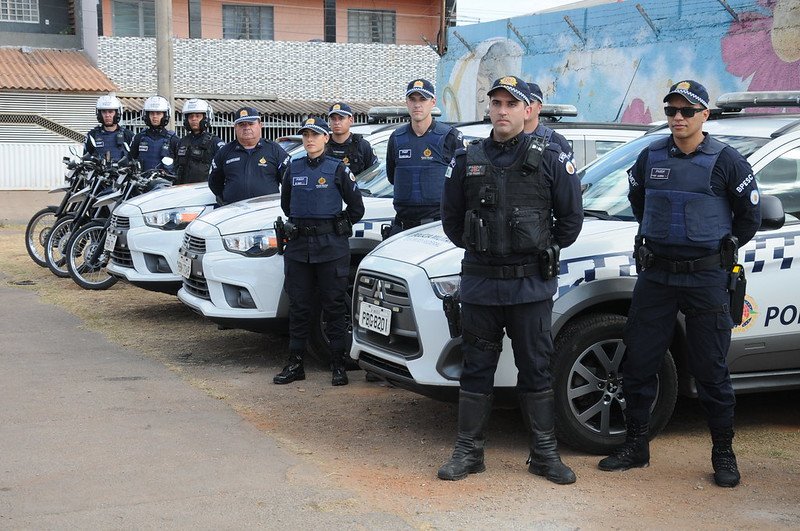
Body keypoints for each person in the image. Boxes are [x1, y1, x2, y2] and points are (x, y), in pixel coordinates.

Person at [598, 80, 761, 488]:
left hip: (705, 278)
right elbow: (640, 203)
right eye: (671, 110)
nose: (677, 118)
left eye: (687, 111)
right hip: (656, 275)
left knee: (710, 369)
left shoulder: (727, 161)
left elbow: (749, 218)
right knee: (639, 362)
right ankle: (636, 445)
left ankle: (723, 452)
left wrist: (718, 250)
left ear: (704, 115)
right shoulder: (650, 156)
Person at [438, 76, 583, 484]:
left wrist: (536, 247)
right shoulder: (467, 158)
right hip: (481, 286)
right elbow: (451, 220)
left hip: (529, 287)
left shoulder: (550, 157)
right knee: (476, 367)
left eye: (511, 104)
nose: (502, 111)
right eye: (496, 103)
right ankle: (468, 451)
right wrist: (483, 246)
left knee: (536, 368)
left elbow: (570, 221)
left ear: (527, 110)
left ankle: (544, 454)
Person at [273, 117, 365, 387]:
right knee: (299, 306)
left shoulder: (338, 168)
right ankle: (295, 364)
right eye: (306, 135)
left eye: (315, 135)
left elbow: (357, 208)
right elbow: (287, 206)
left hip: (331, 247)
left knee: (334, 306)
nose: (310, 139)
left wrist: (336, 225)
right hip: (299, 247)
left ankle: (338, 364)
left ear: (326, 138)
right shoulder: (294, 167)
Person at [385, 79, 463, 237]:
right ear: (407, 102)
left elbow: (462, 184)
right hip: (402, 228)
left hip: (438, 227)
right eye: (412, 99)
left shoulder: (450, 136)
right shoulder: (396, 138)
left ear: (433, 102)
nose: (417, 105)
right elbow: (392, 177)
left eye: (422, 99)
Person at [208, 107, 290, 205]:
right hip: (233, 209)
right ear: (235, 127)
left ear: (260, 125)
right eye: (241, 124)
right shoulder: (225, 151)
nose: (246, 128)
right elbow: (214, 182)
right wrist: (226, 198)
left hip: (266, 209)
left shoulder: (274, 149)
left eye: (251, 124)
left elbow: (288, 179)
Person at [174, 98, 225, 185]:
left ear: (205, 118)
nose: (194, 119)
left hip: (204, 189)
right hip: (182, 188)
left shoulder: (215, 142)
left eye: (198, 116)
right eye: (191, 116)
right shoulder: (182, 142)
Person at [523, 81, 575, 166]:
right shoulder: (505, 138)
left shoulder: (556, 140)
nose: (526, 106)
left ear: (539, 108)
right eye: (522, 102)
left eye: (530, 102)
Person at [326, 102, 378, 176]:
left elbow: (373, 175)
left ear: (351, 120)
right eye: (333, 119)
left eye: (341, 118)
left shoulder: (362, 145)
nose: (337, 122)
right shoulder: (322, 144)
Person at [130, 95, 179, 172]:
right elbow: (131, 159)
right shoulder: (139, 138)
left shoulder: (174, 140)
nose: (154, 116)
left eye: (158, 113)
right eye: (152, 113)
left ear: (165, 115)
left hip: (166, 179)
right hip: (142, 179)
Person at [84, 94, 134, 162]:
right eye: (104, 112)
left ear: (117, 113)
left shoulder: (128, 135)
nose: (107, 115)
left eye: (110, 112)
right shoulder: (92, 135)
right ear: (99, 114)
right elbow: (86, 160)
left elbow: (135, 159)